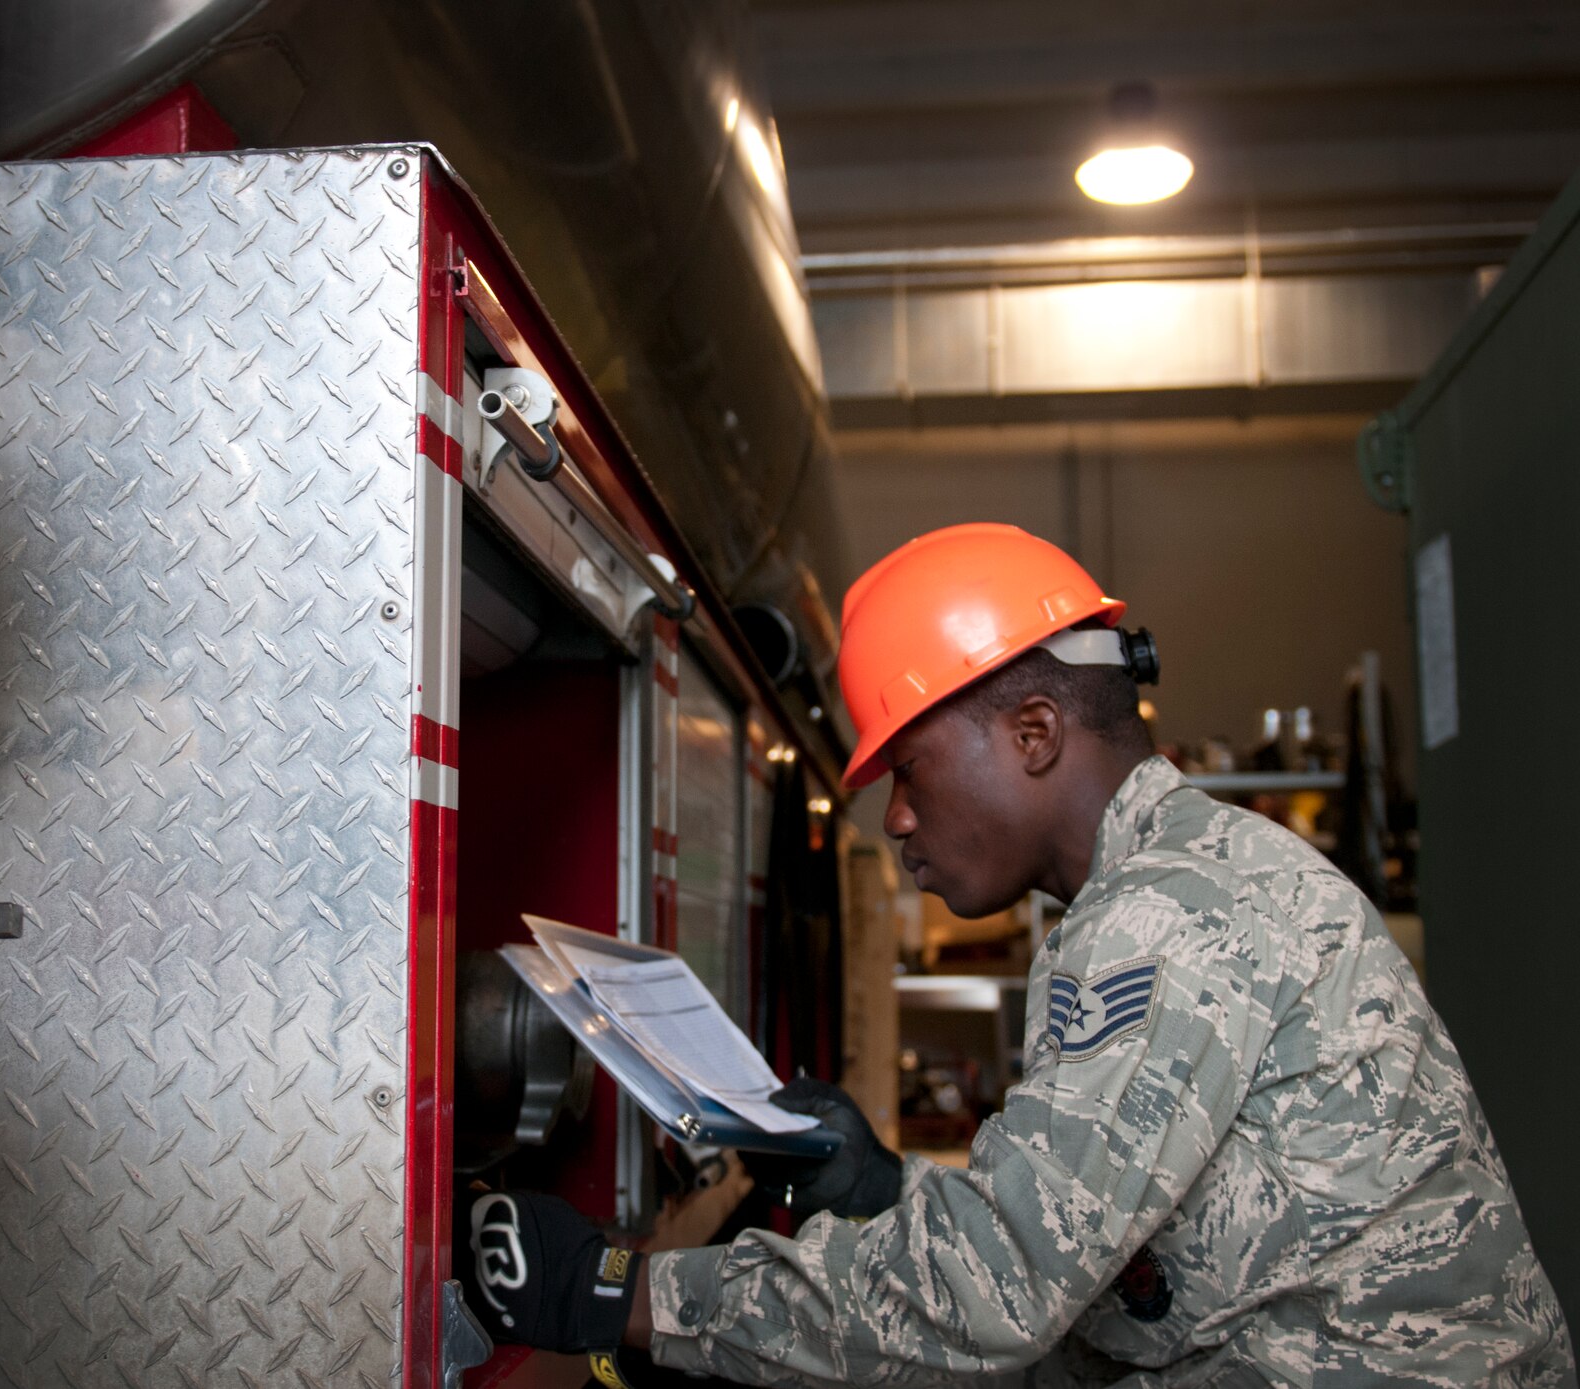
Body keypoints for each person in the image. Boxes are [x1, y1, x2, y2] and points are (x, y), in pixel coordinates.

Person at [464, 523, 1574, 1387]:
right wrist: (885, 1193)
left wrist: (623, 1291)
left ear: (1034, 734)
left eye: (909, 771)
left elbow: (994, 1295)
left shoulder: (1165, 914)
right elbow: (1109, 1268)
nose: (893, 822)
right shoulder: (1171, 883)